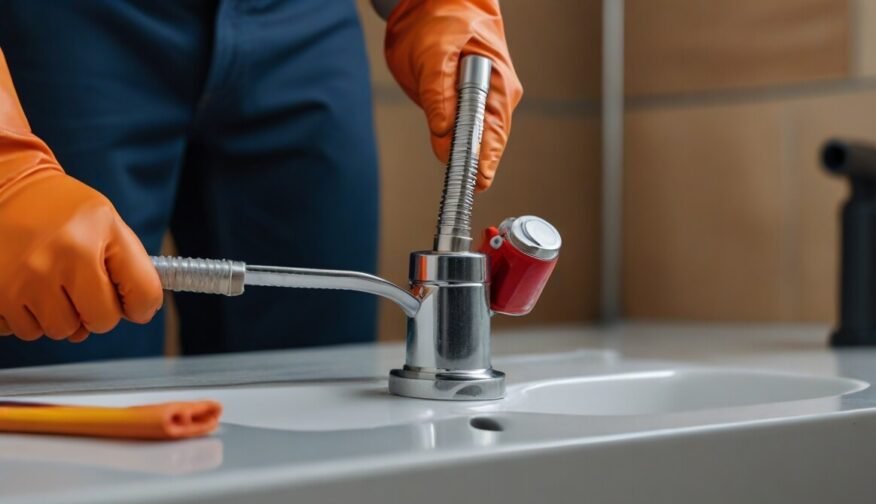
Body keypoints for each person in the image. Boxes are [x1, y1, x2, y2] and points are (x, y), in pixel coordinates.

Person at [0, 0, 522, 368]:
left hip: (301, 20)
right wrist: (7, 168)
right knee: (68, 368)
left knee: (320, 392)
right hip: (61, 21)